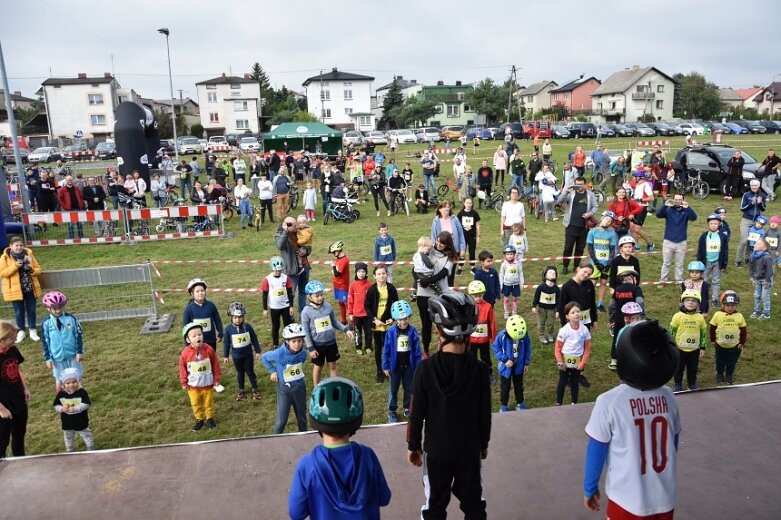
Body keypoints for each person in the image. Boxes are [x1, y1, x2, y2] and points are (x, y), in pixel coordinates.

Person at [583, 319, 681, 519]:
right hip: (665, 496)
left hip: (626, 499)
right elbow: (673, 443)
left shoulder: (609, 402)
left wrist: (589, 488)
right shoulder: (669, 397)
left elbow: (596, 450)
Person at [407, 292, 489, 519]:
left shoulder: (425, 369)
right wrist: (483, 443)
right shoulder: (480, 370)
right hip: (469, 450)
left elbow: (416, 413)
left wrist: (413, 445)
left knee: (434, 506)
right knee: (474, 504)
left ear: (438, 331)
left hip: (437, 452)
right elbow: (484, 413)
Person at [290, 377, 391, 520]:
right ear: (356, 420)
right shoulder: (368, 456)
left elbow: (296, 513)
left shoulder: (307, 465)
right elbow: (384, 498)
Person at [301, 280, 354, 387]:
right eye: (317, 296)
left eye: (321, 295)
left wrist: (345, 329)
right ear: (309, 297)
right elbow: (305, 331)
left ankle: (334, 387)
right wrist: (310, 348)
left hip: (331, 343)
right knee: (318, 367)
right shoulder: (306, 312)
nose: (320, 297)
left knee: (332, 366)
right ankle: (316, 388)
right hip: (317, 345)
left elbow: (334, 322)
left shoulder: (328, 306)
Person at [261, 323, 309, 434]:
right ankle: (275, 439)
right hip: (284, 390)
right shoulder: (279, 353)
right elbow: (264, 357)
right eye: (293, 341)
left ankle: (305, 437)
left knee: (302, 418)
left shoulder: (303, 354)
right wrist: (273, 371)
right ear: (287, 341)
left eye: (299, 341)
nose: (297, 344)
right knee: (281, 420)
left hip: (299, 388)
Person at [415, 233, 457, 357]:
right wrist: (419, 278)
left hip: (440, 294)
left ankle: (444, 347)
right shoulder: (428, 248)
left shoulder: (450, 257)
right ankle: (426, 350)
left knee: (442, 323)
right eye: (438, 241)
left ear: (447, 244)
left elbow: (444, 273)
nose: (438, 244)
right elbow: (417, 265)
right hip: (424, 294)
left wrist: (428, 281)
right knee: (426, 324)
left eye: (442, 243)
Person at [382, 300, 421, 423]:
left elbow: (417, 351)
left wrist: (418, 367)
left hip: (408, 367)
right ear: (395, 319)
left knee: (408, 388)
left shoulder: (413, 332)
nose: (402, 322)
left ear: (409, 317)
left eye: (405, 318)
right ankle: (392, 411)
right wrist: (385, 366)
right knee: (393, 390)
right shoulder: (391, 332)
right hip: (395, 367)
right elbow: (386, 350)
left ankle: (407, 408)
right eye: (399, 319)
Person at [179, 322, 221, 431]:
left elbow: (215, 364)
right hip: (193, 386)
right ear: (188, 340)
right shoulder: (185, 353)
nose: (198, 337)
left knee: (208, 402)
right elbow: (182, 368)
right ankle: (199, 419)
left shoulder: (209, 350)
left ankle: (209, 418)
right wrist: (184, 382)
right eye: (194, 335)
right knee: (195, 403)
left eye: (200, 334)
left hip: (207, 384)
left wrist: (216, 379)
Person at [0, 237, 42, 343]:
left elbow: (38, 269)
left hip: (29, 287)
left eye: (20, 245)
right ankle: (21, 331)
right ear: (11, 246)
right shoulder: (5, 258)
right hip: (14, 290)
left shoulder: (29, 255)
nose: (19, 247)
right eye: (16, 245)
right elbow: (2, 273)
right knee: (19, 311)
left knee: (31, 310)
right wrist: (15, 266)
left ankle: (33, 330)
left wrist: (31, 269)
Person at [40, 290, 84, 392]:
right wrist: (48, 358)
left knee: (76, 377)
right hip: (56, 358)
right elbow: (45, 341)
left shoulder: (71, 319)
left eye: (60, 307)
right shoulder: (46, 323)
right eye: (54, 309)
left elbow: (78, 335)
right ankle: (61, 398)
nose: (58, 311)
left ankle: (79, 397)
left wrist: (79, 352)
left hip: (72, 355)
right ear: (48, 308)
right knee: (59, 379)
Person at [0, 321, 31, 459]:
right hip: (4, 406)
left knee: (19, 435)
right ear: (2, 338)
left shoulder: (12, 349)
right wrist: (1, 409)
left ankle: (20, 461)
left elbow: (17, 369)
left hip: (18, 399)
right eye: (12, 338)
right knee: (2, 439)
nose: (15, 340)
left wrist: (25, 388)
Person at [365, 265, 399, 384]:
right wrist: (374, 319)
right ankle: (379, 371)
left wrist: (393, 318)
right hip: (377, 325)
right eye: (379, 274)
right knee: (378, 348)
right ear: (374, 276)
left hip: (388, 325)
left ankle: (388, 370)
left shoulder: (391, 288)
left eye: (383, 273)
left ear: (387, 274)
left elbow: (396, 305)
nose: (381, 276)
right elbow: (367, 307)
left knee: (388, 347)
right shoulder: (371, 290)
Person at [222, 302, 261, 402]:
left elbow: (254, 339)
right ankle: (241, 390)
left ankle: (255, 388)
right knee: (240, 372)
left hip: (248, 355)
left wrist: (257, 351)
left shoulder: (248, 327)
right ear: (231, 317)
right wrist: (226, 356)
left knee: (250, 371)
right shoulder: (228, 329)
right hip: (236, 356)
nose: (238, 319)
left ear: (243, 317)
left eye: (240, 317)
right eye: (235, 317)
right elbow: (226, 343)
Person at [558, 176, 598, 274]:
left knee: (580, 248)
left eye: (580, 184)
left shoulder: (590, 194)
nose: (578, 186)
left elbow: (595, 206)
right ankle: (565, 266)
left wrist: (589, 214)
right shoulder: (570, 193)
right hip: (571, 225)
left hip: (584, 227)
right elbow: (559, 200)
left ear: (585, 184)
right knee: (568, 247)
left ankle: (576, 266)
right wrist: (565, 191)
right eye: (577, 184)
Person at [554, 302, 592, 405]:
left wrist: (583, 363)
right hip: (564, 363)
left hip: (577, 363)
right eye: (573, 312)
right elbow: (558, 348)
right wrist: (560, 362)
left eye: (578, 311)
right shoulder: (564, 331)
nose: (576, 314)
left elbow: (587, 348)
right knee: (562, 382)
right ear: (567, 316)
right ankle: (558, 403)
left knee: (575, 383)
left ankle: (574, 403)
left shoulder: (585, 330)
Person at [670, 290, 708, 391]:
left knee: (692, 369)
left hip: (694, 350)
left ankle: (692, 383)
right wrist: (670, 346)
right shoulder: (677, 316)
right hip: (679, 349)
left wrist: (703, 347)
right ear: (682, 302)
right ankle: (678, 384)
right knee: (678, 368)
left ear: (698, 304)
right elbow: (671, 332)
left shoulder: (700, 317)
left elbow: (703, 332)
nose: (691, 303)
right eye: (688, 300)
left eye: (694, 301)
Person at [656, 193, 697, 283]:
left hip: (681, 242)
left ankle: (678, 281)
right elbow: (658, 215)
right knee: (666, 263)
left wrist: (688, 208)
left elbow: (694, 218)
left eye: (680, 199)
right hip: (668, 241)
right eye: (676, 199)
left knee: (679, 264)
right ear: (673, 200)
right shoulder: (669, 210)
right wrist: (665, 205)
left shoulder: (686, 211)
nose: (678, 201)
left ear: (683, 200)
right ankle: (663, 280)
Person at [493, 315, 531, 412]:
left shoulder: (524, 335)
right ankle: (504, 405)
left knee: (519, 385)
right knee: (505, 387)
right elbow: (496, 348)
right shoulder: (502, 335)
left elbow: (527, 349)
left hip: (519, 366)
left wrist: (526, 363)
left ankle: (520, 403)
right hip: (506, 368)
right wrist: (504, 360)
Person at [607, 270, 644, 371]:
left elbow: (611, 306)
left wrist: (612, 318)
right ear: (633, 279)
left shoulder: (617, 290)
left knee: (617, 337)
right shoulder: (636, 288)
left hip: (620, 318)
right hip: (634, 319)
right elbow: (640, 301)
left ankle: (614, 360)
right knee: (633, 337)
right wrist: (641, 315)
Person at [53, 367, 94, 452]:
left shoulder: (82, 392)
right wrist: (61, 408)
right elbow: (56, 405)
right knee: (68, 436)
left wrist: (75, 408)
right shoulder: (61, 394)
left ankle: (90, 448)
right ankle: (69, 449)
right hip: (67, 422)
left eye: (74, 382)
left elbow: (86, 404)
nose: (71, 385)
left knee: (86, 434)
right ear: (63, 384)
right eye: (67, 383)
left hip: (80, 421)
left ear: (78, 381)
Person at [586, 210, 618, 312]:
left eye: (610, 221)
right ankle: (588, 303)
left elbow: (613, 250)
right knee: (592, 283)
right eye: (607, 219)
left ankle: (600, 303)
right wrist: (596, 262)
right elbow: (590, 249)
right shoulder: (592, 232)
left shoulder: (612, 234)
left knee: (604, 282)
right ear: (602, 218)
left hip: (606, 263)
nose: (608, 222)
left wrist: (609, 263)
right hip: (595, 263)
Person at [697, 214, 730, 309]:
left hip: (717, 262)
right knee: (704, 280)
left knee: (716, 281)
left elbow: (725, 251)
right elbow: (700, 250)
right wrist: (699, 263)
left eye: (715, 223)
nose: (713, 225)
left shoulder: (723, 237)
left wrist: (724, 264)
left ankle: (715, 298)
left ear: (719, 224)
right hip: (706, 261)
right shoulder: (704, 236)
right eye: (711, 223)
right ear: (708, 224)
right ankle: (703, 297)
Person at [467, 280, 497, 384]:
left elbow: (492, 322)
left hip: (484, 339)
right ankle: (472, 374)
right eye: (475, 296)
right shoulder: (468, 307)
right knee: (472, 358)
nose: (478, 298)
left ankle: (488, 373)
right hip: (472, 340)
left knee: (486, 358)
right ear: (471, 296)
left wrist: (494, 338)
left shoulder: (488, 306)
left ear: (483, 294)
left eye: (480, 295)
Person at [261, 256, 294, 347]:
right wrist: (265, 309)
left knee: (287, 325)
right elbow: (264, 295)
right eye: (276, 271)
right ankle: (275, 344)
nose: (278, 272)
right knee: (276, 326)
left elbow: (290, 293)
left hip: (285, 306)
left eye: (280, 271)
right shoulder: (267, 279)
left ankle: (289, 342)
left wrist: (291, 306)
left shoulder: (286, 278)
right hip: (274, 307)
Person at [182, 278, 223, 349]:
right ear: (192, 293)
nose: (200, 293)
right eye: (197, 291)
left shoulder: (211, 306)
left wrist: (220, 333)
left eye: (202, 290)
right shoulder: (189, 309)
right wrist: (187, 343)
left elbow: (217, 320)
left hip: (211, 341)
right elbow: (185, 326)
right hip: (196, 343)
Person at [559, 263, 598, 331]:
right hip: (572, 321)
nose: (586, 275)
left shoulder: (589, 284)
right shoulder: (567, 287)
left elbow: (592, 302)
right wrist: (564, 324)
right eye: (584, 272)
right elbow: (562, 306)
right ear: (578, 269)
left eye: (589, 274)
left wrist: (594, 319)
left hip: (586, 321)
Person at [737, 179, 766, 266]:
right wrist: (752, 203)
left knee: (752, 241)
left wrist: (760, 203)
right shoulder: (746, 195)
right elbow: (742, 208)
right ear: (750, 186)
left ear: (758, 186)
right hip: (746, 220)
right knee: (744, 241)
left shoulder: (763, 195)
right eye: (752, 186)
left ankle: (748, 258)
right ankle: (738, 260)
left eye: (756, 186)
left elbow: (763, 209)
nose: (754, 187)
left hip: (756, 222)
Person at [430, 201, 467, 270]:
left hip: (454, 249)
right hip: (441, 249)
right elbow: (433, 236)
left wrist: (462, 249)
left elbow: (461, 234)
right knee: (441, 270)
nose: (447, 208)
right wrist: (434, 249)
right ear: (440, 209)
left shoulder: (455, 219)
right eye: (444, 207)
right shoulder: (436, 221)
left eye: (448, 207)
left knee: (451, 271)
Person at [275, 217, 302, 303]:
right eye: (294, 226)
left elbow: (307, 245)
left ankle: (303, 315)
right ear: (287, 226)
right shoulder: (280, 234)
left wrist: (305, 251)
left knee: (304, 293)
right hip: (291, 271)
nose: (296, 227)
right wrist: (285, 232)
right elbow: (280, 246)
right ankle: (289, 316)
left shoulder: (298, 232)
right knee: (289, 295)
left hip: (303, 268)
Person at [347, 262, 372, 355]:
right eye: (359, 271)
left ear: (366, 273)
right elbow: (350, 300)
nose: (361, 273)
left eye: (363, 271)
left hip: (367, 314)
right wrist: (350, 313)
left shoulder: (370, 285)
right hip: (357, 314)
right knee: (358, 332)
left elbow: (373, 300)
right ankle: (358, 347)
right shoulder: (353, 285)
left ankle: (368, 346)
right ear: (356, 273)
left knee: (368, 331)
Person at [532, 265, 560, 345]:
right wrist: (534, 306)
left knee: (551, 322)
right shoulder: (541, 287)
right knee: (541, 323)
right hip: (541, 309)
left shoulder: (556, 289)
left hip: (552, 309)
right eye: (550, 273)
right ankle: (541, 335)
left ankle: (549, 334)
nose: (552, 274)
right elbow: (536, 297)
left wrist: (558, 311)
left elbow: (558, 301)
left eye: (554, 273)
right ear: (545, 275)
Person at [749, 238, 774, 320]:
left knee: (765, 296)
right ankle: (757, 310)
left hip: (765, 280)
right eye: (756, 243)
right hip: (757, 279)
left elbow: (770, 271)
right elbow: (751, 267)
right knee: (757, 295)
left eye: (758, 244)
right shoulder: (752, 255)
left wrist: (767, 281)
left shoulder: (767, 258)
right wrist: (752, 277)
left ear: (764, 248)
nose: (756, 245)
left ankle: (766, 313)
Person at [457, 197, 481, 274]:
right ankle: (460, 268)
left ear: (472, 204)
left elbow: (477, 225)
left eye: (470, 203)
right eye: (467, 203)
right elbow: (457, 226)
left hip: (472, 236)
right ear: (464, 203)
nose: (468, 204)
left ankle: (473, 268)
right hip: (462, 237)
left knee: (472, 251)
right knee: (462, 252)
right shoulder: (460, 214)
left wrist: (478, 236)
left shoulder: (474, 213)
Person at [499, 244, 523, 319]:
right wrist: (501, 284)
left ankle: (514, 312)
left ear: (514, 254)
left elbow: (520, 273)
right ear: (505, 255)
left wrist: (521, 283)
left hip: (515, 284)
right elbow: (501, 275)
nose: (509, 256)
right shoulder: (503, 264)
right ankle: (506, 311)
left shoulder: (518, 263)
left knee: (515, 298)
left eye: (511, 254)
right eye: (507, 254)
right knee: (506, 299)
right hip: (506, 284)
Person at [329, 240, 350, 325]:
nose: (333, 254)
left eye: (334, 252)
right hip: (337, 285)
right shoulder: (339, 259)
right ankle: (343, 321)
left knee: (346, 304)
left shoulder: (344, 260)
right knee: (341, 303)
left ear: (338, 251)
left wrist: (333, 266)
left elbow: (337, 274)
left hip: (342, 286)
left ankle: (352, 322)